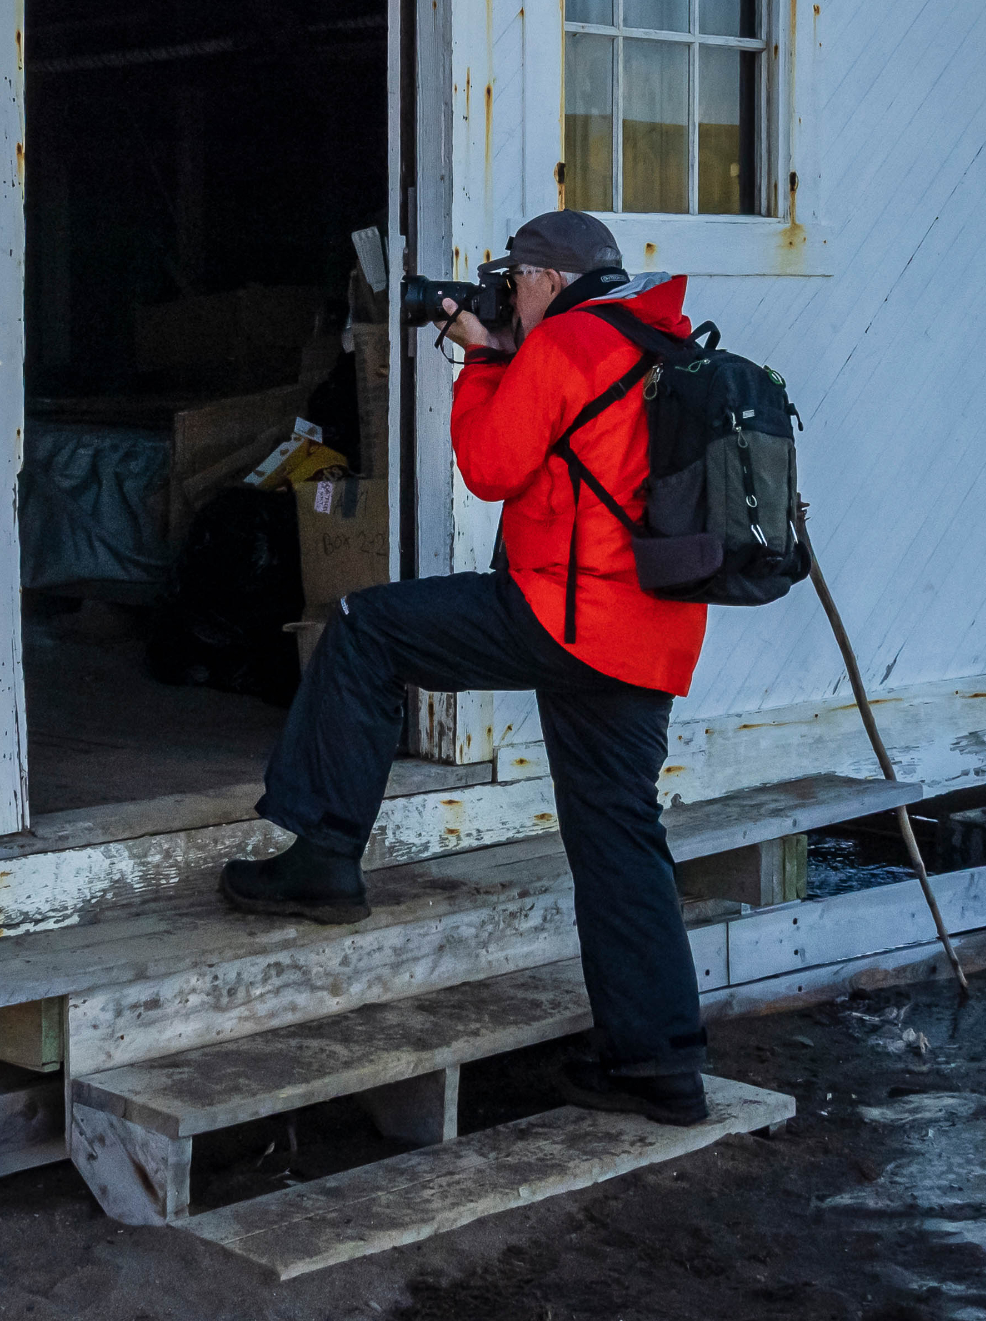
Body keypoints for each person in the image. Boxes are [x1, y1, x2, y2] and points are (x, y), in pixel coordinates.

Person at [219, 210, 714, 1124]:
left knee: (367, 626)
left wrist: (484, 357)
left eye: (516, 275)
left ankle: (325, 855)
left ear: (549, 280)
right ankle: (661, 1068)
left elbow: (489, 467)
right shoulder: (654, 337)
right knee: (619, 841)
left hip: (565, 613)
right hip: (647, 632)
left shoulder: (568, 346)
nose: (509, 289)